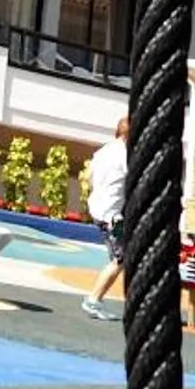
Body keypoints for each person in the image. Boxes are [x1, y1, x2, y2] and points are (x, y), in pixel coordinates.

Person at [81, 115, 129, 318]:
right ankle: (93, 300)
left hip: (99, 209)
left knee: (121, 256)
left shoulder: (104, 150)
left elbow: (88, 176)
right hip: (111, 215)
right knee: (121, 259)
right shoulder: (124, 154)